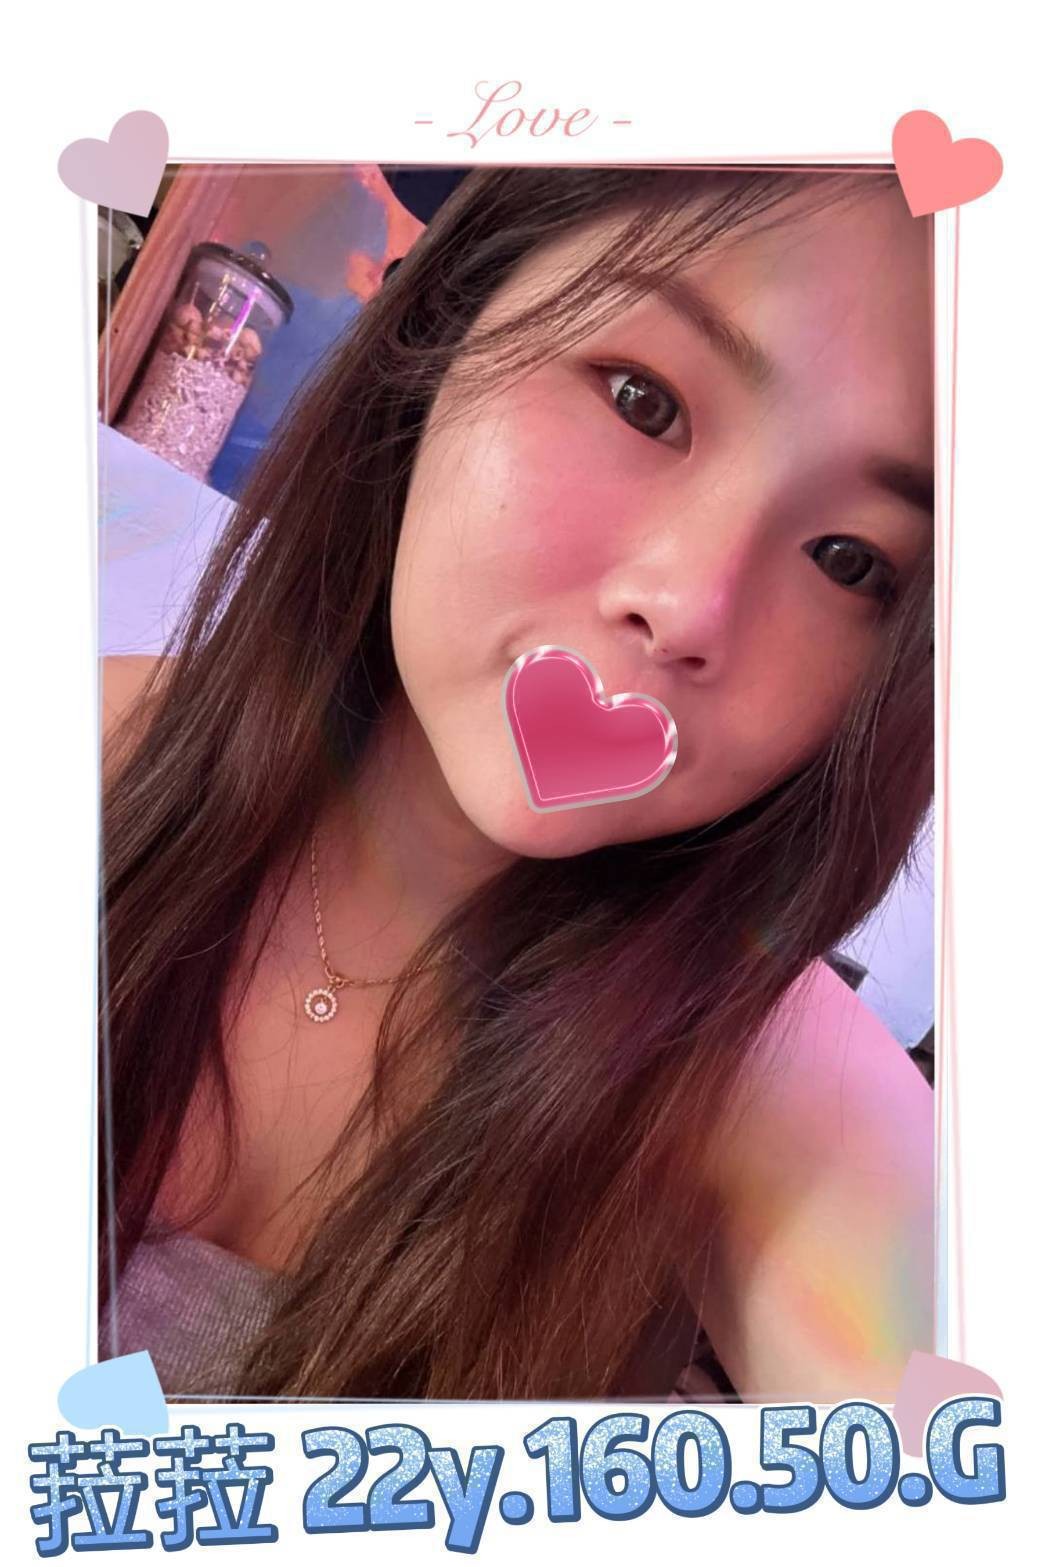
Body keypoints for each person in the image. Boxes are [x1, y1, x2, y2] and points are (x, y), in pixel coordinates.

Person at [99, 164, 935, 1403]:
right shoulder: (88, 762)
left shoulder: (748, 1066)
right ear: (442, 332)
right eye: (645, 402)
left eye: (848, 560)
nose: (688, 606)